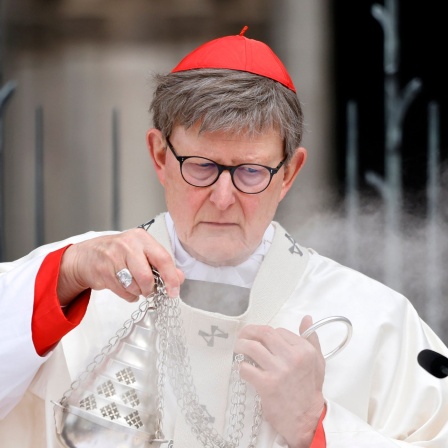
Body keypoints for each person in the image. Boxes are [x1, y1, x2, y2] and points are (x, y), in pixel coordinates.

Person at [1, 27, 448, 448]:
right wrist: (62, 277)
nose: (221, 198)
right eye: (201, 165)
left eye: (250, 172)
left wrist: (317, 425)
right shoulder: (77, 278)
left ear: (289, 173)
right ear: (159, 155)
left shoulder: (374, 320)